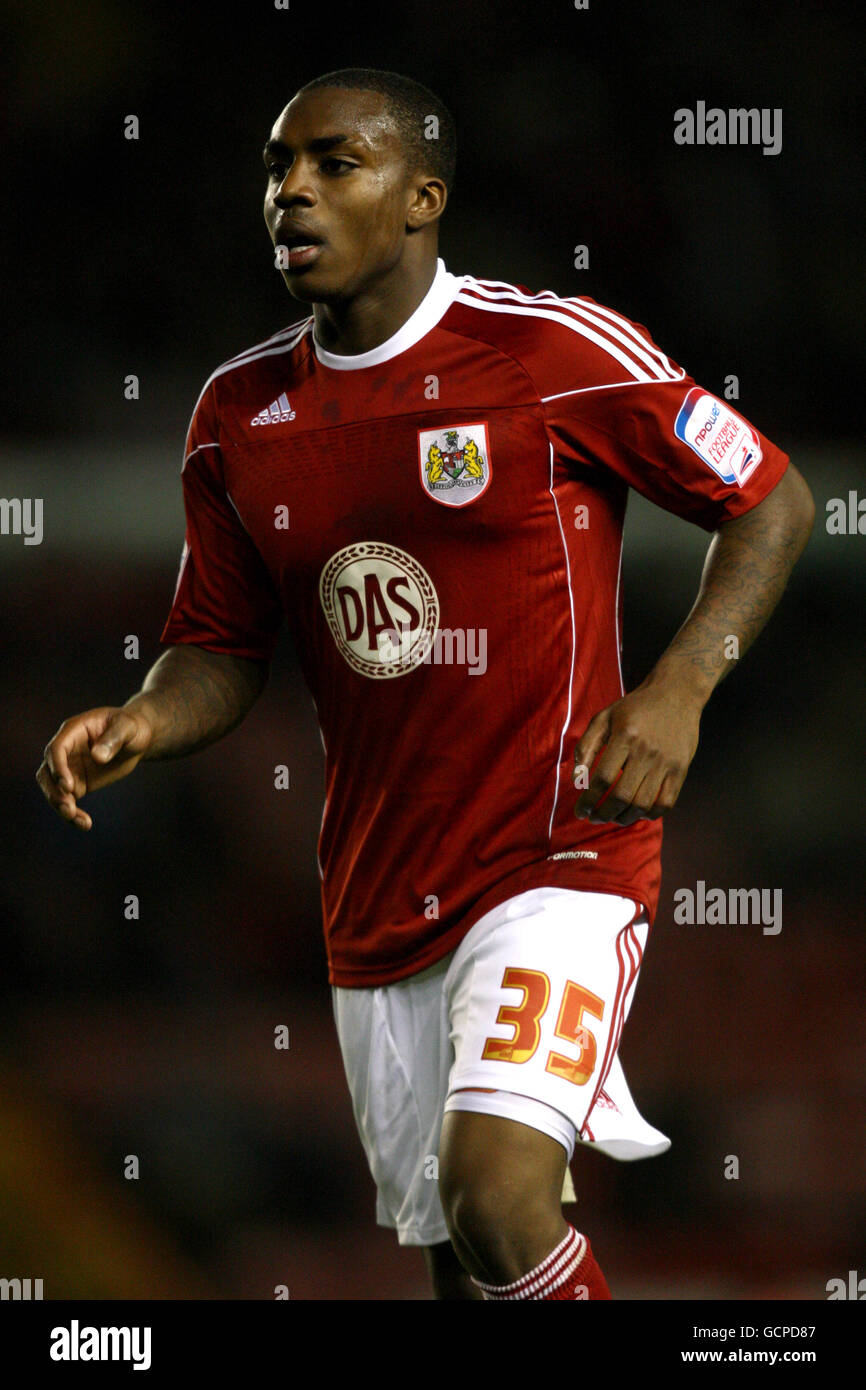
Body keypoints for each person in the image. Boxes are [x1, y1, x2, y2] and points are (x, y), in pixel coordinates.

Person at [36, 68, 814, 1301]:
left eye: (333, 163)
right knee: (463, 1263)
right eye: (276, 167)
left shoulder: (549, 350)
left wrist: (678, 691)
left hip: (555, 856)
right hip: (376, 896)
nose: (290, 191)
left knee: (495, 1195)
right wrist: (143, 717)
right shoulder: (237, 413)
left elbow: (771, 496)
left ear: (420, 197)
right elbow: (220, 647)